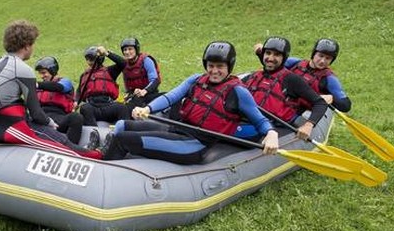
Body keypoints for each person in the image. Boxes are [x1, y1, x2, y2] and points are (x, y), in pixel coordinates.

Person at [99, 41, 279, 164]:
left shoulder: (238, 91)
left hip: (194, 144)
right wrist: (148, 108)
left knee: (122, 139)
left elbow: (260, 120)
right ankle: (109, 153)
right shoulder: (196, 79)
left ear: (229, 67)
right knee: (122, 125)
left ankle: (104, 171)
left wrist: (271, 134)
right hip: (177, 129)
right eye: (211, 65)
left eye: (220, 66)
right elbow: (171, 97)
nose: (214, 71)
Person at [0, 20, 102, 160]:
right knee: (60, 142)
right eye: (33, 43)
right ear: (26, 46)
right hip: (7, 127)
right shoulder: (23, 69)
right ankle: (97, 155)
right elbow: (36, 114)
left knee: (52, 133)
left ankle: (85, 149)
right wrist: (52, 124)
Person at [244, 36, 328, 140]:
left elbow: (320, 103)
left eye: (277, 55)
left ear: (284, 58)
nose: (270, 58)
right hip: (246, 122)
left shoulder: (291, 79)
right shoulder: (253, 76)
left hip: (272, 127)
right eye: (268, 53)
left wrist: (308, 125)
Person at [286, 38, 351, 112]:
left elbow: (346, 105)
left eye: (328, 58)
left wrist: (332, 98)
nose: (323, 61)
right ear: (314, 54)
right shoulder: (295, 63)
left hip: (305, 113)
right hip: (283, 104)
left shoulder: (329, 78)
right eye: (320, 56)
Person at [35, 56, 85, 144]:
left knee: (76, 117)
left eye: (44, 73)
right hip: (42, 119)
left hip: (59, 119)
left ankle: (71, 147)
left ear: (52, 71)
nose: (42, 76)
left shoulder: (65, 82)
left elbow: (59, 87)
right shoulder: (39, 88)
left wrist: (37, 85)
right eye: (40, 73)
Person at [76, 45, 130, 127]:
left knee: (122, 108)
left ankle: (122, 132)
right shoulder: (84, 76)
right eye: (87, 59)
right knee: (84, 108)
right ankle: (94, 133)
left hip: (108, 105)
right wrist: (76, 102)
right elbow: (79, 92)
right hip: (92, 107)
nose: (89, 61)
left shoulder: (110, 71)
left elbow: (123, 63)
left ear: (100, 59)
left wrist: (106, 53)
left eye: (91, 59)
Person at [120, 37, 162, 108]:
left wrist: (144, 91)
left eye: (130, 49)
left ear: (136, 49)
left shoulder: (146, 60)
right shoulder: (125, 65)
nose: (127, 52)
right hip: (135, 96)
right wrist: (129, 94)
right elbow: (128, 86)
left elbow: (155, 80)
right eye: (125, 50)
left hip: (149, 93)